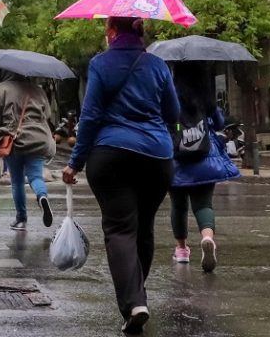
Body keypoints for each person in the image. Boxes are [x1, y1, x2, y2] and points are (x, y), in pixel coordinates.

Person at [62, 17, 180, 335]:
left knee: (119, 229)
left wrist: (76, 162)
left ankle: (134, 302)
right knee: (143, 229)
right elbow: (173, 113)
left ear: (112, 31)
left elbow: (90, 115)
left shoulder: (101, 63)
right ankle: (137, 298)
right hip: (157, 156)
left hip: (111, 154)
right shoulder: (158, 65)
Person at [168, 61, 239, 272]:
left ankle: (181, 250)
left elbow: (164, 120)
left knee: (178, 207)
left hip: (176, 162)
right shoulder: (204, 96)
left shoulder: (170, 94)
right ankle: (207, 238)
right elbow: (218, 123)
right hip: (204, 160)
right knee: (204, 205)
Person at [0, 69, 56, 230]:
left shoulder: (1, 89)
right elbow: (47, 115)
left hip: (14, 141)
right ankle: (42, 196)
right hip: (38, 140)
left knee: (17, 181)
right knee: (36, 177)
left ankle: (21, 219)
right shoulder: (38, 90)